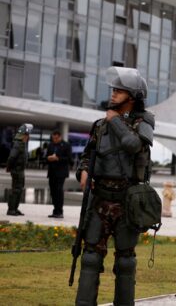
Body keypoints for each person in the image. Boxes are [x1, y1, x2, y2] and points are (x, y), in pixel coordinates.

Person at [74, 67, 155, 306]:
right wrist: (84, 170)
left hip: (127, 201)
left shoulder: (144, 122)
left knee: (125, 261)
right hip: (99, 198)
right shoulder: (100, 125)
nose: (113, 94)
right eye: (114, 89)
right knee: (90, 257)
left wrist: (116, 121)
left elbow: (132, 145)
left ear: (132, 96)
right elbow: (88, 155)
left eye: (119, 91)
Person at [45, 129, 73, 219]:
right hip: (52, 172)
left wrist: (58, 159)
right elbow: (46, 157)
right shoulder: (51, 145)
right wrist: (48, 158)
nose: (55, 140)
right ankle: (55, 210)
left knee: (58, 191)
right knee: (53, 192)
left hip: (61, 172)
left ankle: (59, 211)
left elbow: (69, 159)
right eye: (53, 138)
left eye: (56, 138)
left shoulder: (66, 145)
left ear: (60, 137)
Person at [5, 123, 32, 216]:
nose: (29, 137)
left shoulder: (22, 144)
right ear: (25, 135)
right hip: (17, 170)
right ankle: (11, 209)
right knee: (16, 190)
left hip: (20, 170)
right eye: (28, 135)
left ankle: (15, 208)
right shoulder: (18, 144)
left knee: (19, 189)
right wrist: (9, 168)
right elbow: (12, 157)